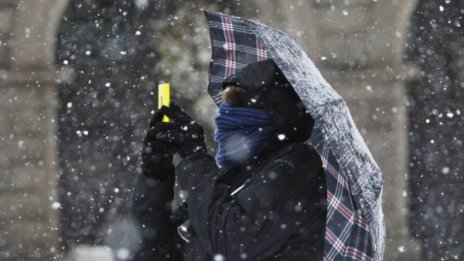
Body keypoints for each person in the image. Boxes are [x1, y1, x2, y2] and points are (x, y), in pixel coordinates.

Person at [131, 59, 327, 261]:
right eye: (227, 102)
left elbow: (232, 245)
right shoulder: (236, 173)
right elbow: (156, 253)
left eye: (238, 102)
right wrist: (155, 175)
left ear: (277, 112)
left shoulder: (296, 171)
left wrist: (195, 155)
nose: (226, 113)